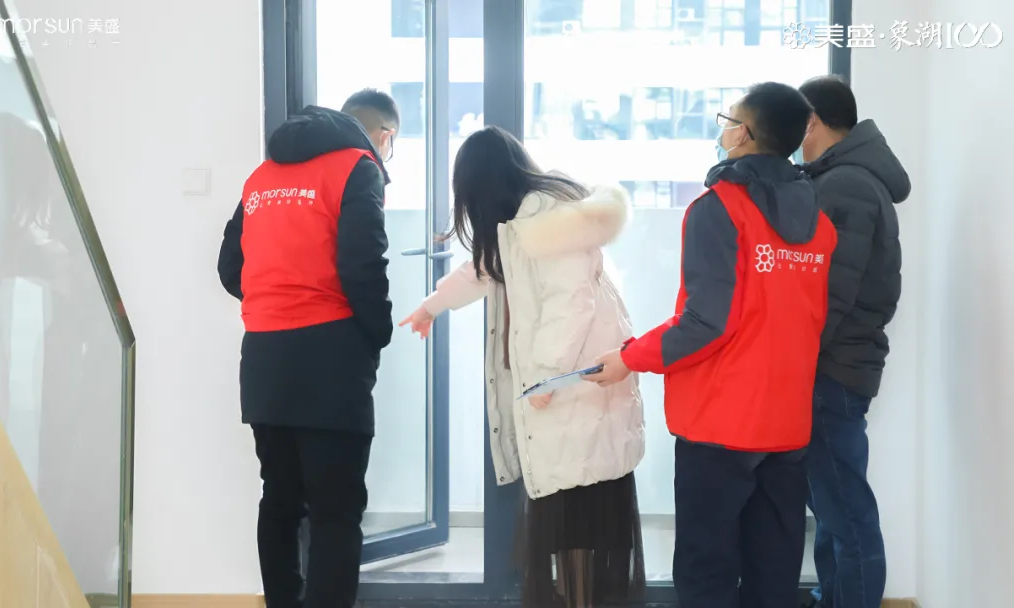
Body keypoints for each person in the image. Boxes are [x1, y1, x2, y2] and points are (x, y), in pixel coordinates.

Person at [586, 82, 838, 608]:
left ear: (744, 134)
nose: (723, 129)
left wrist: (630, 358)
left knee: (707, 570)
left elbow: (706, 322)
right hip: (787, 420)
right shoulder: (818, 220)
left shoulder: (718, 207)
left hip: (722, 421)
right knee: (775, 567)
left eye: (729, 119)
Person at [399, 126, 646, 608]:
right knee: (572, 529)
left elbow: (569, 305)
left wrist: (545, 377)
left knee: (578, 528)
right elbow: (484, 268)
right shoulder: (526, 220)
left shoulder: (546, 221)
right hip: (568, 395)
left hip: (573, 391)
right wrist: (432, 306)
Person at [217, 89, 397, 608]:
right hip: (331, 359)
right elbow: (364, 265)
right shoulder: (357, 167)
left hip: (264, 359)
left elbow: (230, 268)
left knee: (280, 499)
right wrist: (375, 334)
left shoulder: (262, 176)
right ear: (384, 136)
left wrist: (276, 302)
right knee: (335, 510)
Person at [797, 75, 911, 608]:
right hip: (841, 367)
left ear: (812, 122)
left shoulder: (845, 185)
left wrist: (795, 358)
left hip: (832, 370)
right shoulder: (848, 179)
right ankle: (833, 597)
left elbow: (831, 293)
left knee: (847, 515)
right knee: (834, 509)